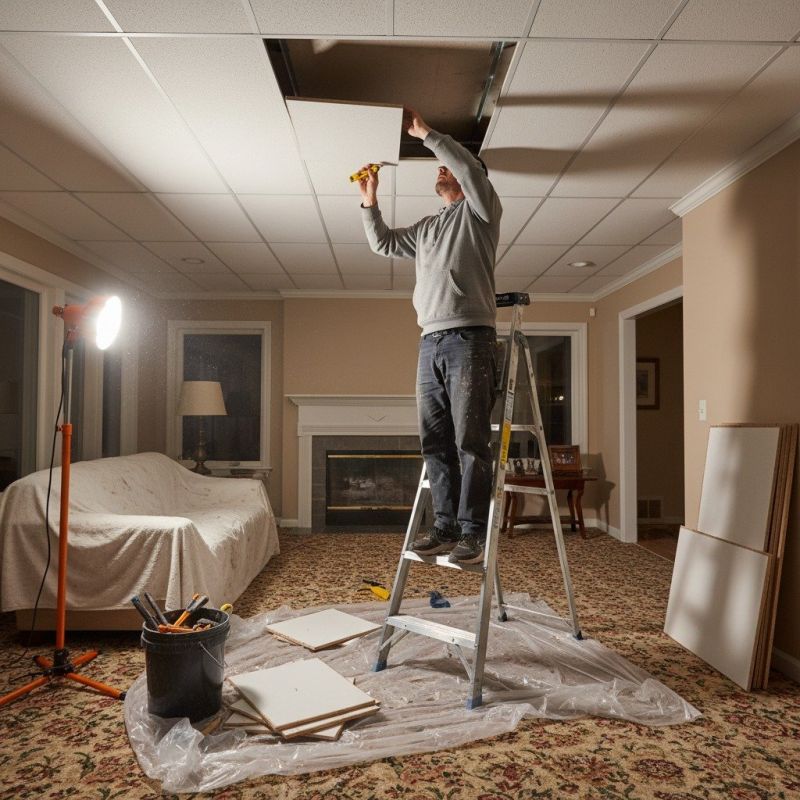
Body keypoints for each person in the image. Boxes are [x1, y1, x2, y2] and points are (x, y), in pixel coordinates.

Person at [357, 108, 502, 564]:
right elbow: (381, 243)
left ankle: (472, 533)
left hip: (470, 341)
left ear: (470, 176)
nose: (442, 170)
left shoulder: (481, 213)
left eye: (450, 167)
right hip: (430, 344)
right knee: (434, 442)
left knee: (469, 442)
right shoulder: (427, 228)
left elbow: (463, 164)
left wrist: (427, 135)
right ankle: (443, 525)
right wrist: (369, 200)